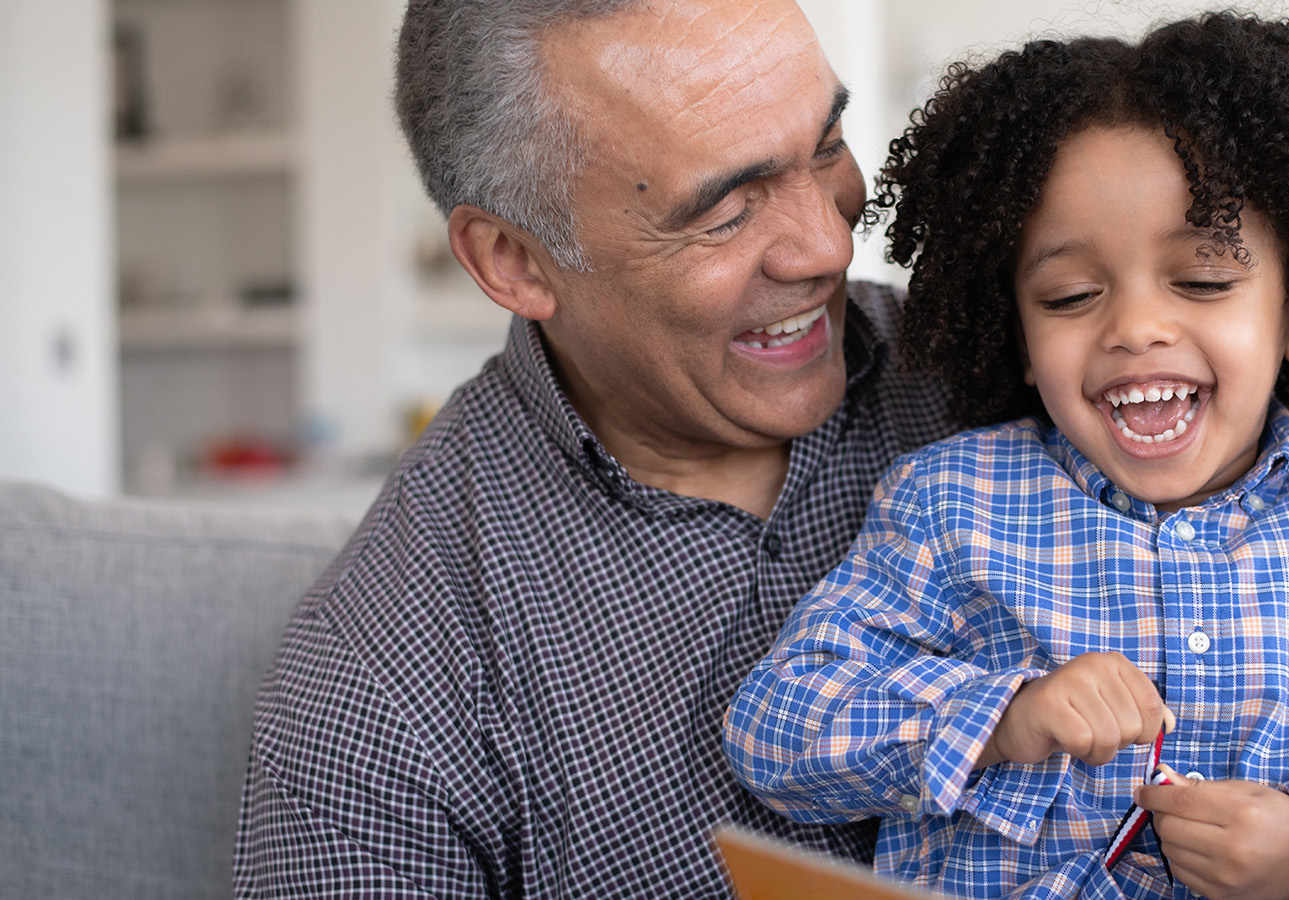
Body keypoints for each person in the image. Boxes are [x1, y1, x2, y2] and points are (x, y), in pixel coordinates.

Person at [723, 12, 1289, 900]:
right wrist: (1002, 718)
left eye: (1205, 280)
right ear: (1016, 333)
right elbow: (775, 731)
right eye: (1070, 295)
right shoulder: (949, 502)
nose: (1135, 327)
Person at [232, 0, 954, 896]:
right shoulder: (382, 683)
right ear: (513, 261)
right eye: (726, 210)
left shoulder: (1018, 385)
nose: (831, 242)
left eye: (826, 144)